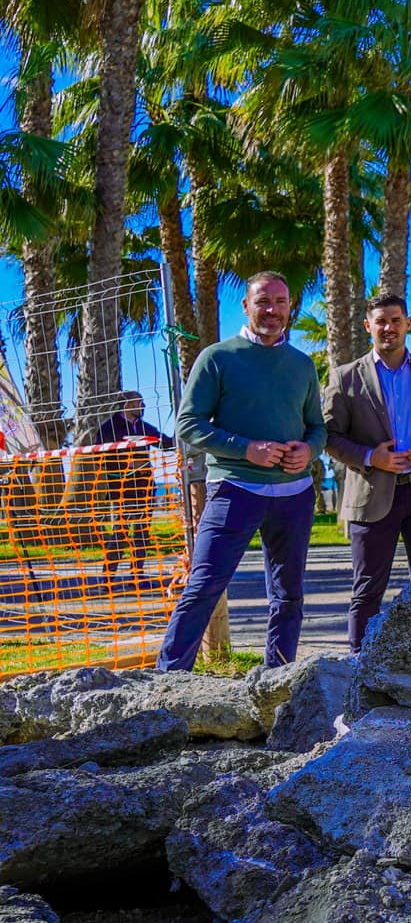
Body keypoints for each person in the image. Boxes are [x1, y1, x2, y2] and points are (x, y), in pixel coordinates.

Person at [155, 272, 324, 672]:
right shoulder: (218, 357)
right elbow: (189, 424)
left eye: (281, 302)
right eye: (263, 301)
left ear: (289, 309)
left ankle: (277, 677)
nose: (273, 310)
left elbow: (317, 427)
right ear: (246, 307)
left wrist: (309, 451)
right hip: (234, 490)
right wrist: (247, 449)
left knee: (289, 596)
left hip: (294, 496)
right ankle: (169, 678)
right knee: (204, 587)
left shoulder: (303, 365)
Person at [323, 294, 411, 651]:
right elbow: (329, 437)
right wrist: (369, 457)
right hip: (371, 496)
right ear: (368, 327)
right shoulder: (345, 378)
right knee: (367, 589)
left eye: (395, 320)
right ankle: (359, 667)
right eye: (380, 321)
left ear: (407, 323)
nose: (388, 328)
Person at [91, 391, 174, 580]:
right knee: (120, 533)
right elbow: (98, 456)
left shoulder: (143, 427)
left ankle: (137, 575)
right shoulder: (109, 427)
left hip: (145, 486)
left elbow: (166, 443)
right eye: (139, 402)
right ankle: (108, 578)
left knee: (142, 532)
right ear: (127, 405)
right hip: (121, 488)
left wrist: (181, 426)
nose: (143, 406)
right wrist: (126, 465)